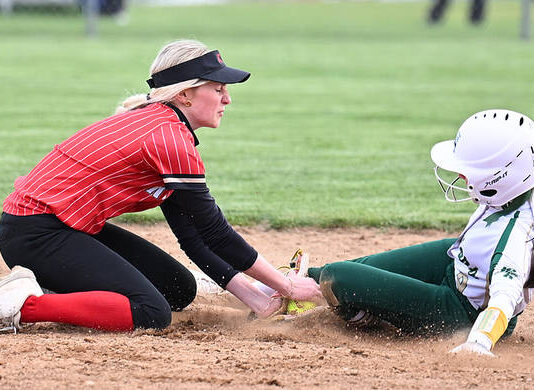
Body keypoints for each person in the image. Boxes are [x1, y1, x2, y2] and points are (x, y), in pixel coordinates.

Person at [0, 39, 322, 333]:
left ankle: (65, 286)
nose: (228, 98)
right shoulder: (168, 138)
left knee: (177, 289)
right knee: (151, 312)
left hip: (63, 229)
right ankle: (20, 304)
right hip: (36, 234)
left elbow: (192, 236)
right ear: (184, 95)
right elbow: (216, 234)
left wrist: (256, 297)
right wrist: (288, 286)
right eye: (218, 88)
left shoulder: (164, 126)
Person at [307, 109, 534, 356]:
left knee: (337, 276)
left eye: (468, 169)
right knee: (356, 269)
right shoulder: (512, 197)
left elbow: (504, 297)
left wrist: (479, 341)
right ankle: (302, 281)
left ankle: (364, 317)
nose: (459, 175)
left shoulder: (514, 235)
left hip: (462, 314)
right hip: (459, 264)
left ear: (499, 177)